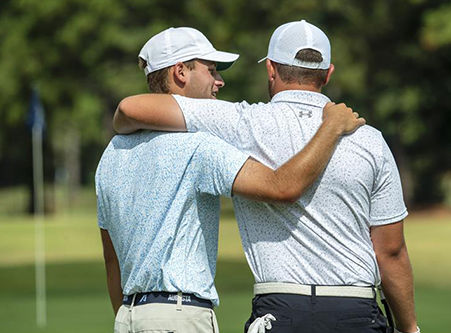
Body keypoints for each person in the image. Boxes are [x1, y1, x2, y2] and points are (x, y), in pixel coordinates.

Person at [113, 20, 419, 333]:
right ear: (328, 74)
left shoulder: (240, 123)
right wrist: (409, 328)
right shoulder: (369, 140)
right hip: (357, 310)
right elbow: (390, 251)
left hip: (279, 312)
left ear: (270, 69)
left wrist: (121, 134)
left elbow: (130, 109)